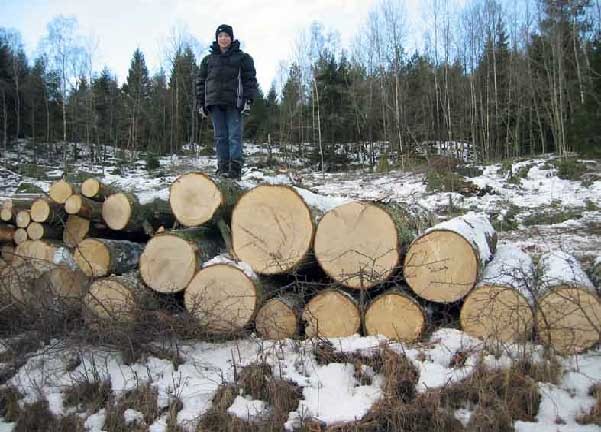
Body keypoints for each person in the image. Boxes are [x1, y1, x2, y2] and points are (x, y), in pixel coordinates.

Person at [196, 24, 257, 180]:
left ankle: (235, 170)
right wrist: (201, 103)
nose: (223, 38)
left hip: (234, 103)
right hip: (215, 103)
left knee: (234, 136)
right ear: (217, 39)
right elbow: (201, 82)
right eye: (220, 36)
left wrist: (248, 100)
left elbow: (249, 80)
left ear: (232, 38)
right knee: (220, 137)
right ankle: (222, 168)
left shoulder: (242, 58)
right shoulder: (208, 60)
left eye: (226, 36)